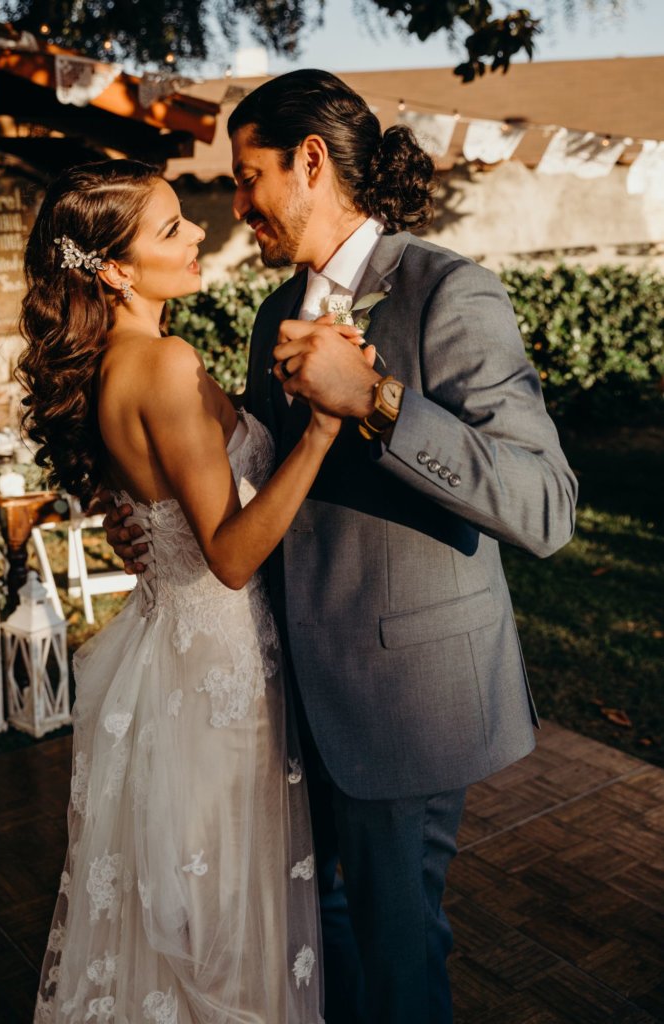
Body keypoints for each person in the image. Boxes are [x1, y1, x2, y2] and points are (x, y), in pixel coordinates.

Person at [107, 70, 578, 1023]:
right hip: (285, 697)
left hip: (403, 695)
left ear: (309, 163)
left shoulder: (449, 292)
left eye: (247, 179)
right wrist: (160, 526)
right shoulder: (265, 317)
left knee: (393, 948)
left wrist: (378, 402)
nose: (234, 209)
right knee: (317, 938)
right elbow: (276, 491)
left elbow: (545, 503)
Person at [18, 160, 371, 1023]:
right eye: (171, 228)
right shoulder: (166, 363)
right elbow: (230, 554)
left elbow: (158, 505)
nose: (198, 232)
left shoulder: (116, 362)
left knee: (189, 913)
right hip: (219, 664)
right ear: (113, 268)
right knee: (225, 921)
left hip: (170, 653)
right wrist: (322, 432)